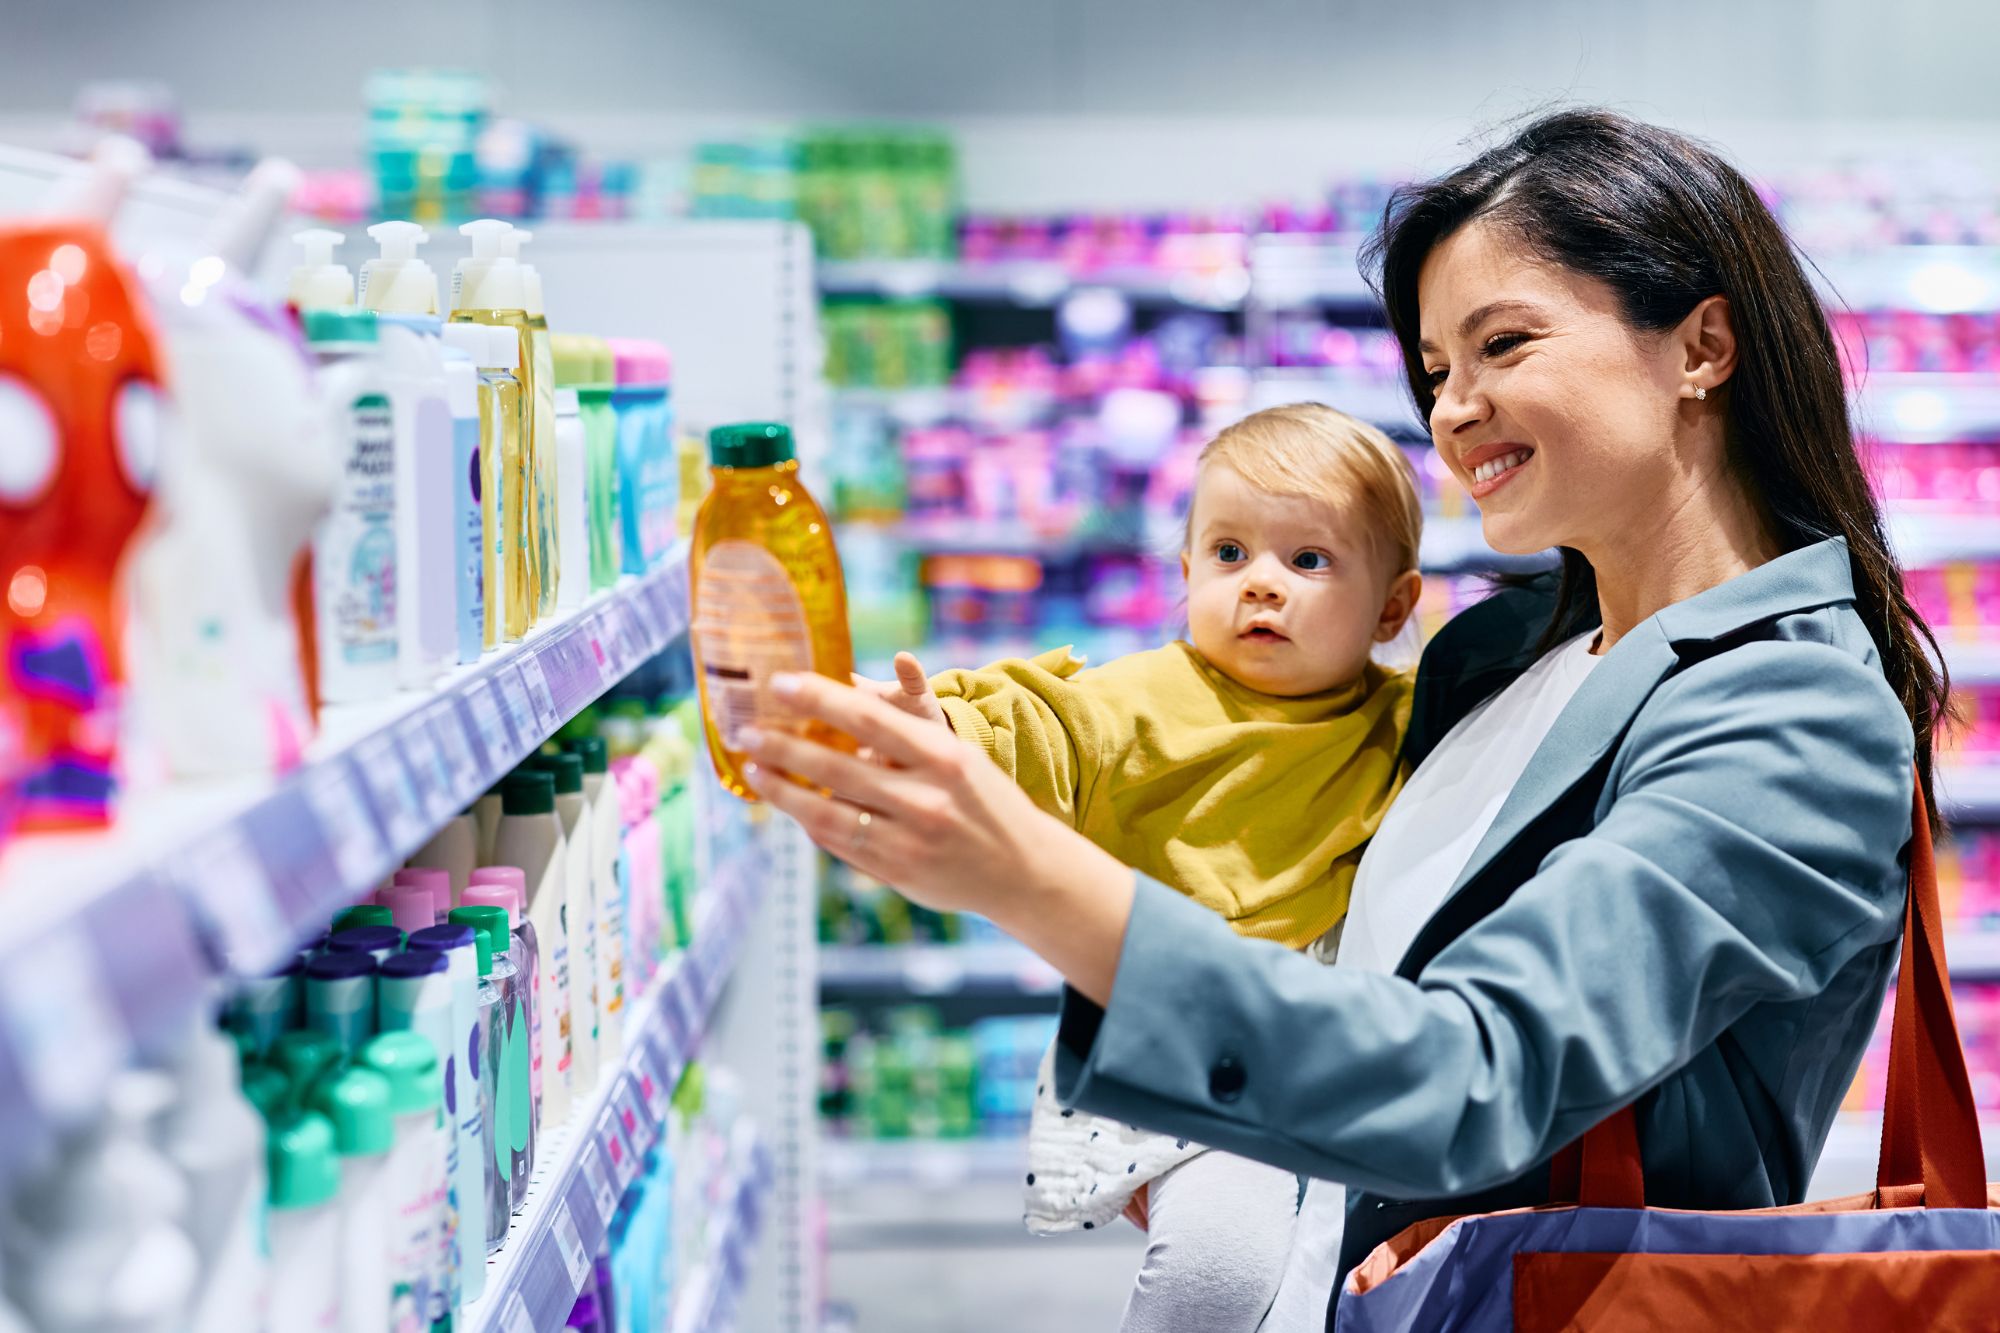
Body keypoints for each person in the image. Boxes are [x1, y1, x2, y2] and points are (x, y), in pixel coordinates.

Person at [739, 107, 1946, 1330]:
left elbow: (1473, 1074)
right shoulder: (1490, 652)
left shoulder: (1795, 706)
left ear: (1700, 347)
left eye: (1502, 344)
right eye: (1434, 371)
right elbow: (1219, 770)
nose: (1454, 409)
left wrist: (1028, 878)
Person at [864, 403, 1422, 1329]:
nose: (1261, 586)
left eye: (1309, 560)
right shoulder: (1152, 698)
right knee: (1221, 1266)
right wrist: (945, 729)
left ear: (1394, 607)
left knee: (1303, 1289)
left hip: (1330, 1056)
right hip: (1187, 1048)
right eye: (1229, 553)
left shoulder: (1403, 718)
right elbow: (1051, 725)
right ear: (1186, 571)